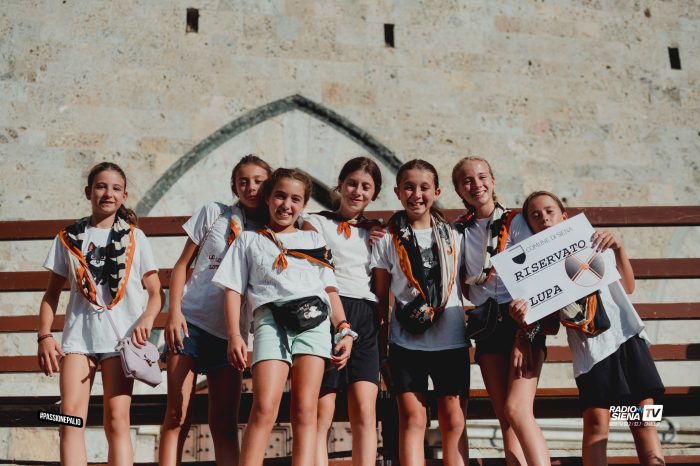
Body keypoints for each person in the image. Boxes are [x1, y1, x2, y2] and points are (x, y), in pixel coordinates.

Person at [212, 167, 356, 466]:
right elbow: (232, 290)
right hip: (270, 321)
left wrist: (343, 329)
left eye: (295, 199)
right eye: (279, 196)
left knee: (305, 409)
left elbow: (329, 290)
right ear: (268, 198)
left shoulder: (313, 240)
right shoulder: (249, 240)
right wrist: (235, 335)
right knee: (264, 406)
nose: (286, 205)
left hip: (314, 324)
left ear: (303, 205)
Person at [512, 190, 665, 466]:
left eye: (549, 211)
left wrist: (619, 247)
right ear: (531, 229)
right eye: (535, 216)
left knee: (643, 419)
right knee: (597, 423)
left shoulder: (594, 242)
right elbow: (548, 329)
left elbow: (628, 287)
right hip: (591, 354)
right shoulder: (537, 274)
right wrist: (523, 323)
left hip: (628, 338)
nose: (544, 219)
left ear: (564, 216)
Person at [37, 162, 162, 466]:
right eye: (101, 186)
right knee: (70, 420)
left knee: (117, 420)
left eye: (116, 188)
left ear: (124, 196)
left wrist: (147, 319)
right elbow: (51, 294)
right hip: (79, 339)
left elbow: (157, 293)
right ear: (88, 192)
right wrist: (44, 336)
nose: (108, 193)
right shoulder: (67, 238)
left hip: (120, 342)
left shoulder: (135, 237)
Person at [159, 154, 272, 466]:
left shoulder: (272, 229)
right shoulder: (214, 214)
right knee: (176, 414)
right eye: (243, 181)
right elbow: (181, 266)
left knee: (223, 422)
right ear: (234, 186)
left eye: (259, 181)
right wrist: (174, 313)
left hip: (230, 333)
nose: (251, 187)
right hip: (191, 323)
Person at [452, 156, 551, 466]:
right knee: (504, 417)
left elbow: (544, 269)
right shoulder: (459, 231)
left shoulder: (519, 221)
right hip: (487, 325)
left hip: (525, 321)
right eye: (467, 180)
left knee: (517, 410)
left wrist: (525, 335)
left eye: (482, 177)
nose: (476, 184)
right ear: (459, 190)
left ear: (493, 181)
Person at [371, 159, 469, 466]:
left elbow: (474, 279)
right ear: (397, 192)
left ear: (436, 192)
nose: (416, 194)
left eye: (424, 187)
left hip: (450, 339)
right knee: (413, 419)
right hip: (406, 343)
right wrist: (382, 351)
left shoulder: (455, 235)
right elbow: (380, 297)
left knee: (453, 419)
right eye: (409, 187)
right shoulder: (387, 238)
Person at [306, 157, 384, 466]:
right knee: (322, 409)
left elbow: (380, 286)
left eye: (366, 187)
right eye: (352, 183)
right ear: (340, 185)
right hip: (329, 311)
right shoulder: (317, 222)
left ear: (374, 193)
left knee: (365, 408)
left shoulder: (375, 234)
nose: (357, 191)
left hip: (365, 315)